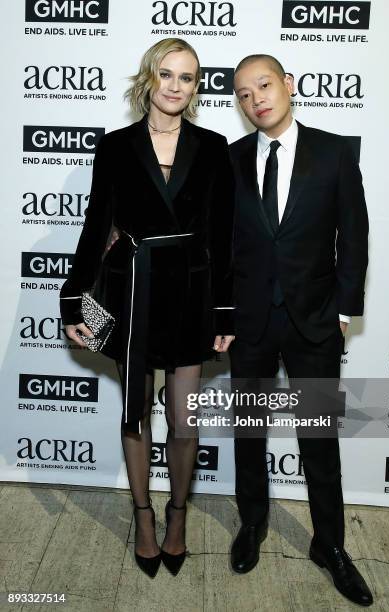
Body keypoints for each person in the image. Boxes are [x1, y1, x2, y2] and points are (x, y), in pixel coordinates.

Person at [59, 38, 235, 579]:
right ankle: (144, 517)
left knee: (183, 419)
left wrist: (225, 312)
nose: (176, 86)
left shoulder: (213, 145)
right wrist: (71, 298)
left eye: (187, 77)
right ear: (148, 79)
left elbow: (223, 236)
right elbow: (96, 226)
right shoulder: (115, 146)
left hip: (190, 294)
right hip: (130, 289)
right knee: (134, 413)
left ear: (196, 86)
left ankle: (178, 514)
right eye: (167, 75)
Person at [228, 54, 372, 607]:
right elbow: (224, 247)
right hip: (249, 324)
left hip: (314, 323)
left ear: (288, 85)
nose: (256, 99)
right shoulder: (233, 159)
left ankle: (330, 545)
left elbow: (353, 238)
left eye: (264, 85)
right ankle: (252, 525)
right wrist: (222, 318)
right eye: (243, 94)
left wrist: (343, 309)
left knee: (319, 440)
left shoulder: (334, 152)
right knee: (248, 434)